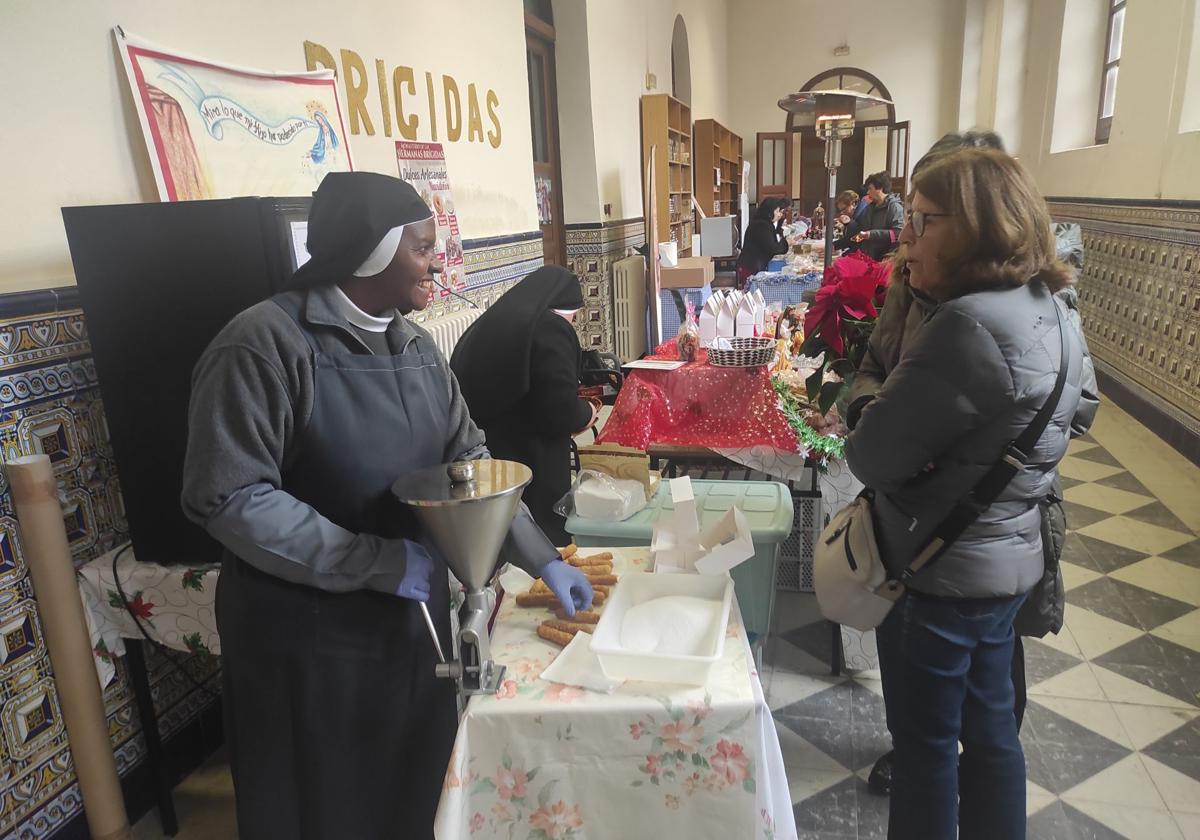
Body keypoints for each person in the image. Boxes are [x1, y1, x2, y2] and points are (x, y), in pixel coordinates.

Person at [180, 172, 592, 840]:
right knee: (323, 803)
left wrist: (540, 557)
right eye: (423, 246)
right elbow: (229, 496)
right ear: (370, 250)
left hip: (404, 619)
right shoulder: (263, 345)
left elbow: (473, 468)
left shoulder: (416, 350)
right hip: (303, 636)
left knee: (411, 792)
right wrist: (367, 559)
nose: (437, 261)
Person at [845, 148, 1088, 840]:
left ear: (976, 224)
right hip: (1009, 559)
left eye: (921, 220)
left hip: (938, 570)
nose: (905, 236)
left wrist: (869, 411)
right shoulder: (1054, 306)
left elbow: (872, 457)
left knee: (925, 750)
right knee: (993, 738)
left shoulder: (967, 327)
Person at [450, 266, 599, 545]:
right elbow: (560, 411)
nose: (574, 321)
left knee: (501, 535)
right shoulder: (552, 329)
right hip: (531, 458)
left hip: (485, 451)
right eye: (575, 315)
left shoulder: (494, 321)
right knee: (539, 539)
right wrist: (587, 413)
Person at [834, 171, 904, 260]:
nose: (867, 192)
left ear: (880, 188)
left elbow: (898, 234)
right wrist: (835, 246)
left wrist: (871, 234)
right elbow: (859, 235)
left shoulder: (894, 208)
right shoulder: (870, 207)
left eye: (870, 189)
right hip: (866, 258)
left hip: (882, 261)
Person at [736, 196, 791, 286]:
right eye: (777, 211)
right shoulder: (761, 226)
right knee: (751, 291)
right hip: (750, 266)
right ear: (769, 211)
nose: (780, 214)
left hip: (754, 265)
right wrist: (786, 242)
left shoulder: (765, 224)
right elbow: (772, 248)